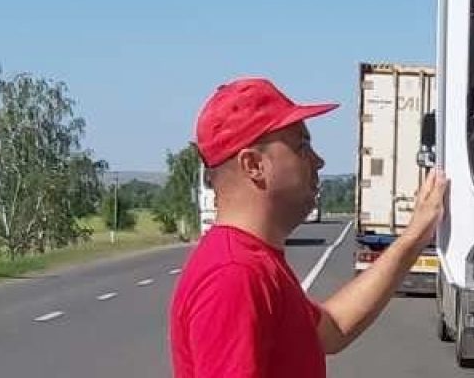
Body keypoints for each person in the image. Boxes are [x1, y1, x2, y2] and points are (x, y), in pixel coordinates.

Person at [167, 77, 448, 378]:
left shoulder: (256, 262)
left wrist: (416, 234)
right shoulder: (234, 274)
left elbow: (334, 328)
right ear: (253, 165)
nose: (319, 161)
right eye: (302, 147)